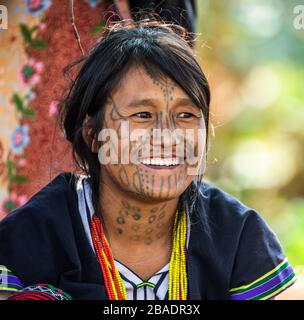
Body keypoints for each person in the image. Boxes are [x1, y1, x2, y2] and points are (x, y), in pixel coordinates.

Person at [0, 20, 300, 300]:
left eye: (186, 115)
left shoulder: (236, 235)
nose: (167, 137)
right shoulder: (33, 237)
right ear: (93, 135)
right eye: (142, 115)